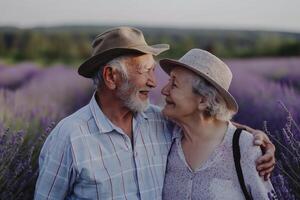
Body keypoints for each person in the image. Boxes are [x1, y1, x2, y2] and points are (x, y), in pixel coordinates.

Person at [34, 27, 275, 200]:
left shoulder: (159, 121)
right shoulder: (69, 138)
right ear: (111, 76)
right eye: (145, 71)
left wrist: (252, 138)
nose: (154, 82)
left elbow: (208, 125)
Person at [160, 49, 277, 199]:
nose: (164, 90)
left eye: (174, 84)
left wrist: (251, 138)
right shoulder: (165, 136)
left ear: (203, 100)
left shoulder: (244, 148)